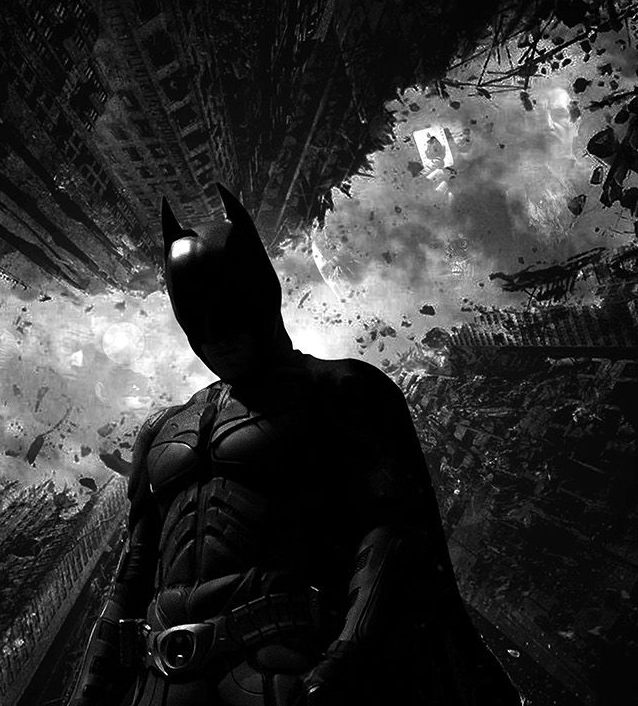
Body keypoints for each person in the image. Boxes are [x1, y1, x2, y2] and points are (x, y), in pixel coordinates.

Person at [68, 185, 521, 706]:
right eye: (199, 321)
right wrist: (90, 690)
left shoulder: (340, 389)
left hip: (282, 668)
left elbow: (392, 533)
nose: (218, 337)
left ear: (260, 297)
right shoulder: (162, 429)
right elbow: (133, 572)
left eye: (230, 313)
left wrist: (345, 659)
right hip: (161, 683)